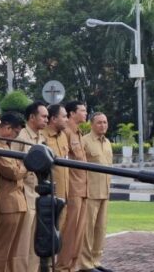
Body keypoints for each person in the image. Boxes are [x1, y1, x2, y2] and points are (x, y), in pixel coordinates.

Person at [11, 100, 49, 271]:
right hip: (25, 195)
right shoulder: (21, 139)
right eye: (43, 116)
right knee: (23, 245)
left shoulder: (42, 138)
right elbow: (15, 168)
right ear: (32, 117)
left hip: (39, 195)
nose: (46, 120)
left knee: (36, 242)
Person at [0, 112, 28, 272]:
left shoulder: (5, 145)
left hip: (16, 201)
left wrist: (20, 167)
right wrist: (25, 165)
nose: (16, 136)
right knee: (0, 250)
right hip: (7, 203)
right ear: (7, 128)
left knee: (11, 251)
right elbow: (13, 172)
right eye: (16, 132)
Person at [78, 113, 113, 272]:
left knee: (101, 228)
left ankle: (96, 261)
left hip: (104, 191)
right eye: (99, 122)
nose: (103, 125)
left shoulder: (107, 143)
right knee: (88, 229)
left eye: (105, 122)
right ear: (91, 124)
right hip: (90, 192)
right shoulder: (84, 141)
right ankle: (85, 264)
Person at [56, 100, 89, 272]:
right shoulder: (66, 133)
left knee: (79, 232)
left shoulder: (79, 133)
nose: (85, 113)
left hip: (83, 188)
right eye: (82, 111)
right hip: (73, 188)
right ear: (71, 113)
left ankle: (73, 266)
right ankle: (63, 266)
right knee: (70, 230)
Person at [40, 104, 69, 223]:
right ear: (54, 119)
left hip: (64, 192)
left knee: (60, 229)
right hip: (48, 194)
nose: (67, 119)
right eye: (64, 116)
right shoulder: (42, 136)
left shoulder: (63, 136)